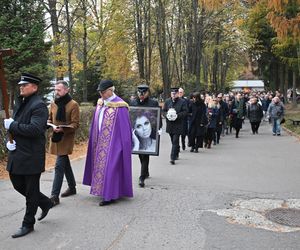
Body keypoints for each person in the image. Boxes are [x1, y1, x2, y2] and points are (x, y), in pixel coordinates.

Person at [4, 73, 53, 238]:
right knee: (17, 183)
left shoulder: (39, 105)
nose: (21, 87)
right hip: (17, 152)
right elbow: (13, 128)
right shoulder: (21, 103)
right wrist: (8, 140)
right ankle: (45, 202)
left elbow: (35, 129)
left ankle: (28, 223)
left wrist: (13, 125)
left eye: (24, 85)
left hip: (31, 155)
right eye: (20, 85)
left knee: (31, 191)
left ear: (34, 87)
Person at [83, 80, 133, 206]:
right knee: (101, 166)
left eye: (103, 92)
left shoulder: (120, 106)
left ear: (111, 90)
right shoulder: (101, 103)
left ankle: (109, 196)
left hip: (114, 143)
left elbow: (125, 129)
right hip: (99, 140)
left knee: (112, 167)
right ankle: (101, 190)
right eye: (100, 92)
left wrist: (123, 145)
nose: (101, 95)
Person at [48, 80, 80, 206]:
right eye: (55, 90)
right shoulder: (53, 103)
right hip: (55, 137)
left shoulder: (73, 105)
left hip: (66, 138)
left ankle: (54, 196)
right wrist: (50, 124)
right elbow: (50, 118)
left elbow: (75, 124)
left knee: (59, 166)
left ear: (67, 90)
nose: (56, 92)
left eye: (59, 90)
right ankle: (72, 187)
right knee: (65, 163)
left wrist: (63, 128)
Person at [130, 84, 162, 187]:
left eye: (143, 93)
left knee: (145, 154)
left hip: (150, 134)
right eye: (139, 93)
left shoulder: (153, 103)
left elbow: (158, 117)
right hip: (138, 135)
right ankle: (146, 171)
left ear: (147, 93)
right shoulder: (133, 103)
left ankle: (142, 177)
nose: (141, 95)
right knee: (141, 154)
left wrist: (159, 128)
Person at [163, 87, 188, 165]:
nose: (173, 95)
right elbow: (163, 111)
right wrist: (166, 115)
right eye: (172, 94)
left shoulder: (182, 102)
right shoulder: (167, 101)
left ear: (177, 94)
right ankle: (176, 152)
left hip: (178, 124)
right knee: (172, 140)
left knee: (175, 140)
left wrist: (177, 115)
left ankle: (172, 158)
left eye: (175, 93)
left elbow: (185, 111)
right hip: (170, 125)